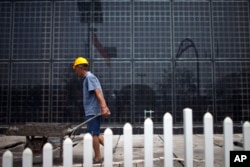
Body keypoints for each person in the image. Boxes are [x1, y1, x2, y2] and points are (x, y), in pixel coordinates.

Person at [73, 56, 110, 163]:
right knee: (96, 133)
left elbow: (98, 92)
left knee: (93, 133)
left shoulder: (89, 77)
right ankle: (108, 148)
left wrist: (104, 107)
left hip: (93, 111)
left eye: (76, 69)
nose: (76, 72)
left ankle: (98, 157)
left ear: (80, 68)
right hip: (92, 110)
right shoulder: (88, 78)